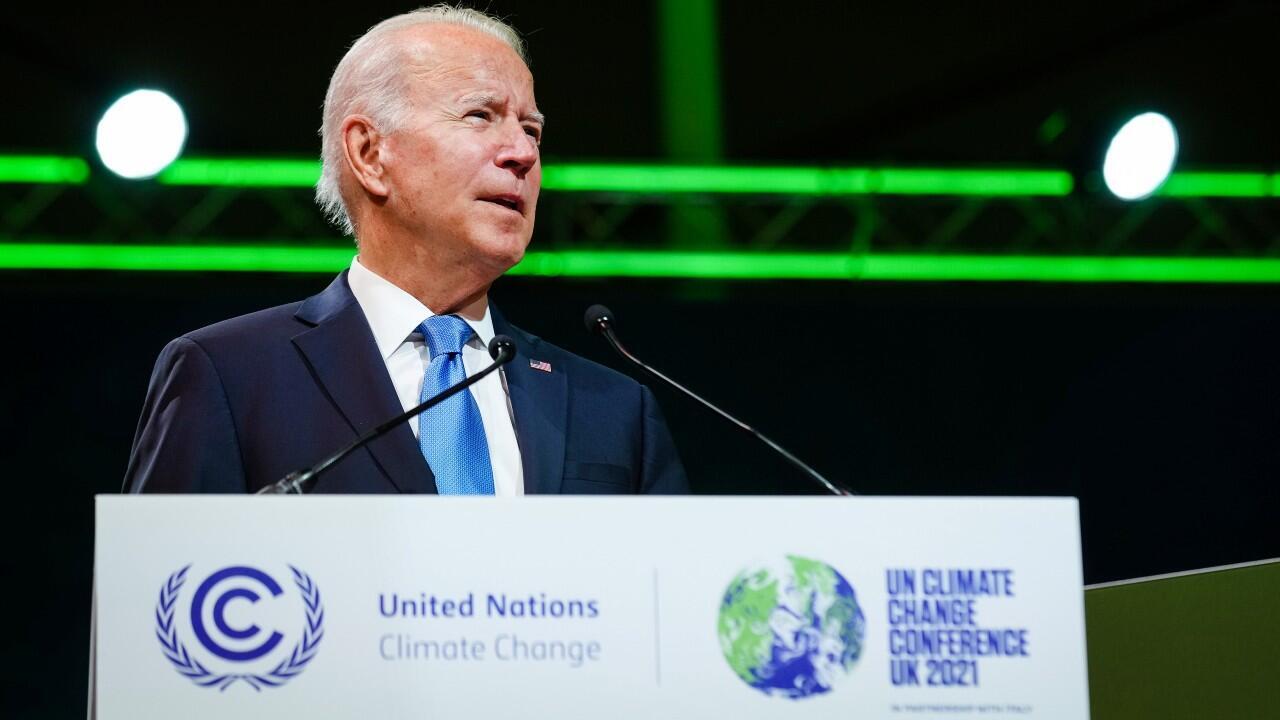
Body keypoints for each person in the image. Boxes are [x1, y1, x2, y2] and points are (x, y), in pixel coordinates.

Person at [124, 6, 688, 495]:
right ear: (369, 153)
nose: (522, 152)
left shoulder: (615, 410)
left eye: (532, 130)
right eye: (480, 116)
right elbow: (154, 604)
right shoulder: (231, 376)